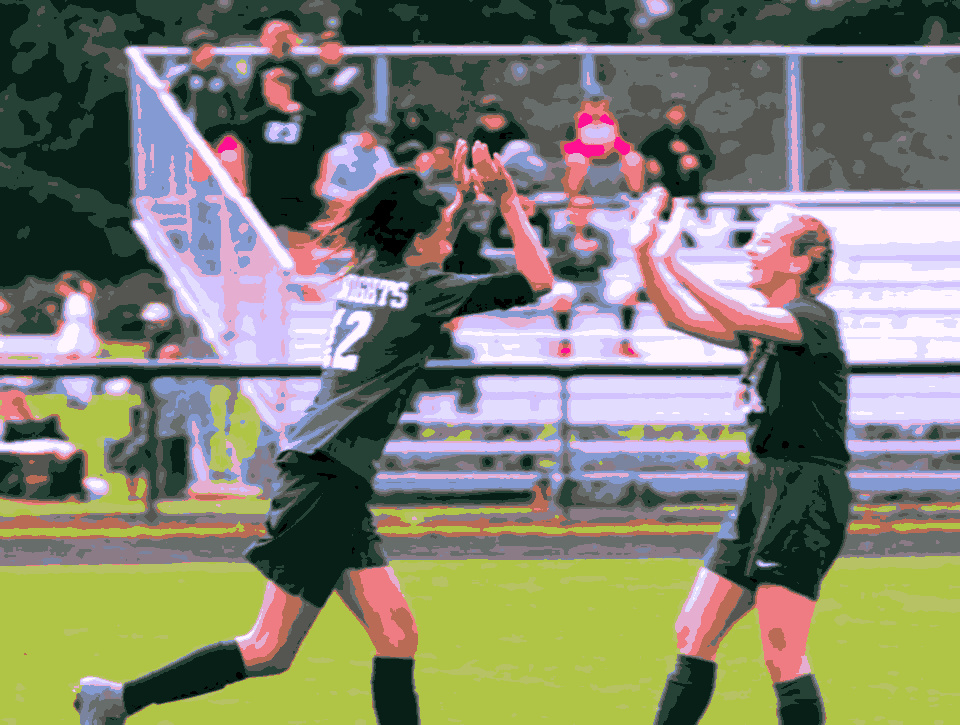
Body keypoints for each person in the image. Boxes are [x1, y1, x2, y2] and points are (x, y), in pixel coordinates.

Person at [72, 140, 555, 724]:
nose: (450, 245)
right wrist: (505, 202)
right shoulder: (427, 292)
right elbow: (538, 279)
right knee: (268, 649)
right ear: (415, 241)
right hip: (328, 479)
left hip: (327, 472)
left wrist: (456, 202)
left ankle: (115, 700)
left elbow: (413, 252)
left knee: (394, 634)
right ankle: (117, 700)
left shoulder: (369, 274)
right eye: (442, 235)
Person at [629, 187, 850, 724]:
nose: (749, 250)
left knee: (781, 654)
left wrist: (672, 262)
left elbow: (731, 312)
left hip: (807, 491)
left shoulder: (811, 318)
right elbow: (677, 318)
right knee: (694, 632)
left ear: (799, 261)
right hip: (763, 487)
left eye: (761, 241)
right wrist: (644, 255)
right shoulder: (769, 325)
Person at [561, 95, 646, 198]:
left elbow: (625, 146)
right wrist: (595, 149)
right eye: (591, 104)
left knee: (634, 158)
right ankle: (572, 196)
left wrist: (612, 146)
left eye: (599, 103)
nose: (595, 107)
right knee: (576, 159)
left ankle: (636, 195)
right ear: (584, 105)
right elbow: (566, 147)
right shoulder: (574, 121)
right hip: (587, 167)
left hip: (614, 164)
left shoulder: (615, 119)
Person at [639, 104, 715, 215]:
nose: (676, 116)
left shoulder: (693, 134)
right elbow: (642, 153)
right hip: (664, 182)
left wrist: (691, 155)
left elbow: (708, 160)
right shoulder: (658, 136)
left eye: (679, 113)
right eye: (673, 113)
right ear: (667, 115)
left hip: (688, 186)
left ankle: (689, 203)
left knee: (688, 161)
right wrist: (650, 162)